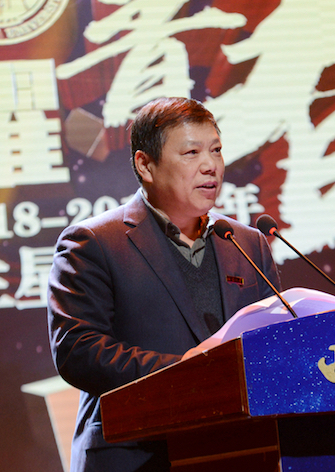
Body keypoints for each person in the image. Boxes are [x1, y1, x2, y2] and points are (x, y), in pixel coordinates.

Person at [47, 97, 281, 472]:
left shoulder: (246, 243)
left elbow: (274, 343)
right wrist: (186, 371)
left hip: (240, 451)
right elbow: (79, 352)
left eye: (216, 150)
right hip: (137, 455)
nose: (211, 165)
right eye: (191, 152)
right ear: (146, 165)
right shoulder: (94, 243)